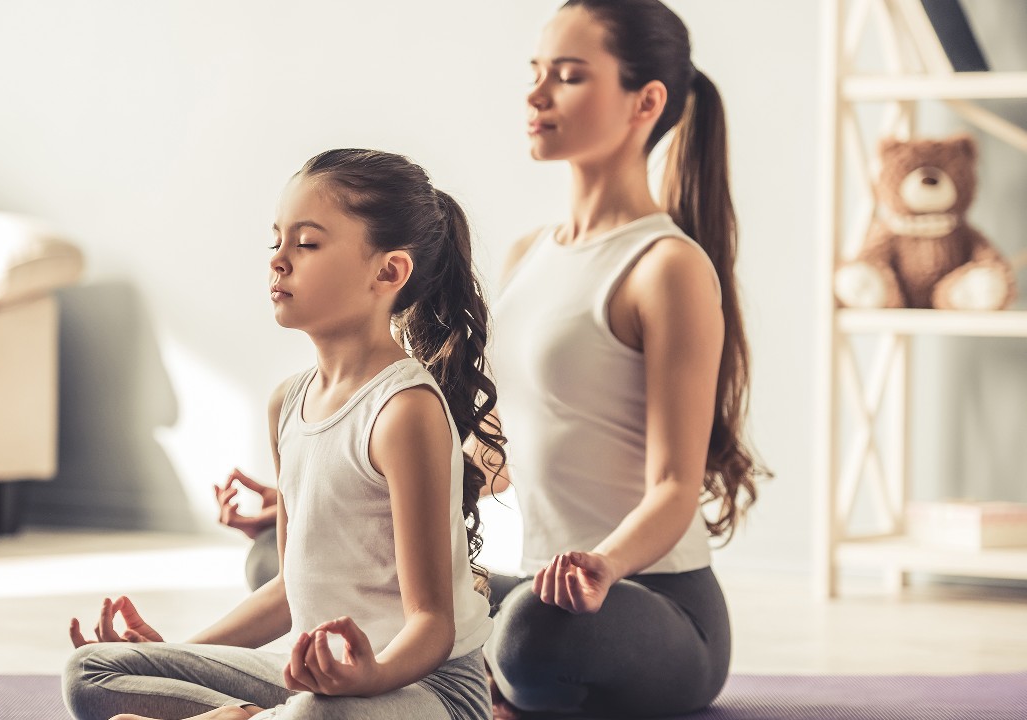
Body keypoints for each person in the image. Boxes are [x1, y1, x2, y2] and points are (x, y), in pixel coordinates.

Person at [217, 1, 766, 717]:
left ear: (646, 102)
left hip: (649, 601)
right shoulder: (529, 255)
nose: (536, 95)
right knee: (284, 568)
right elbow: (495, 450)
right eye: (536, 73)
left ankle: (471, 688)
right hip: (540, 586)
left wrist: (603, 566)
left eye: (567, 76)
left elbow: (672, 486)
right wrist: (323, 498)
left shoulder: (667, 266)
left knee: (531, 634)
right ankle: (455, 690)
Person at [62, 148, 506, 720]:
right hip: (322, 684)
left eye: (308, 243)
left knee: (318, 715)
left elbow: (431, 626)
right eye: (276, 241)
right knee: (95, 669)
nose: (279, 261)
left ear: (389, 271)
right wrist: (172, 651)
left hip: (430, 688)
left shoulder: (404, 411)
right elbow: (286, 589)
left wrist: (369, 676)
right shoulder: (287, 403)